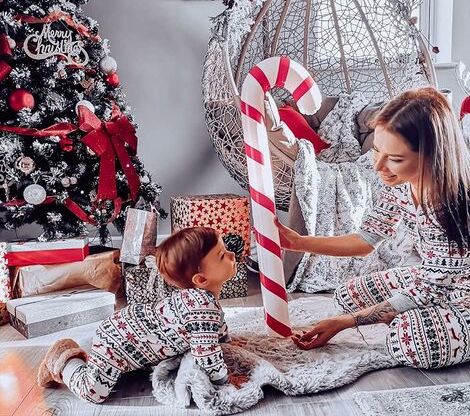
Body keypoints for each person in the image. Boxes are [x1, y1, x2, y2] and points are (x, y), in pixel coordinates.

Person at [276, 87, 470, 369]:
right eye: (378, 150)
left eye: (394, 158)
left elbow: (428, 290)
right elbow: (366, 239)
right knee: (347, 296)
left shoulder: (450, 204)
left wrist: (346, 324)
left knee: (411, 340)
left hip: (457, 292)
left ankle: (427, 322)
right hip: (436, 280)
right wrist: (300, 242)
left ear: (432, 156)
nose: (378, 166)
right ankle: (418, 315)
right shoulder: (403, 184)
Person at [37, 227, 247, 403]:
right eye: (222, 255)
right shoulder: (201, 307)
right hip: (116, 342)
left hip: (129, 327)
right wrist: (225, 382)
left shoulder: (203, 302)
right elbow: (206, 355)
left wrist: (226, 341)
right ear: (200, 279)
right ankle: (65, 360)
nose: (231, 255)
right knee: (94, 393)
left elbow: (215, 325)